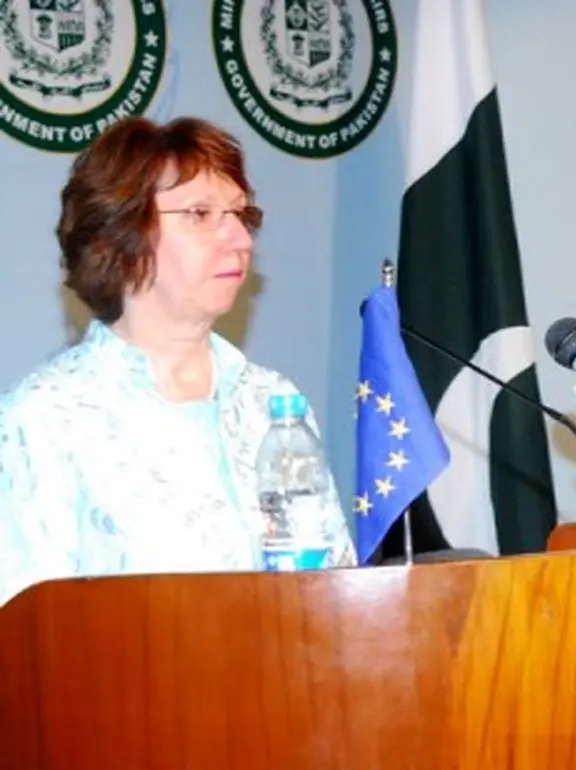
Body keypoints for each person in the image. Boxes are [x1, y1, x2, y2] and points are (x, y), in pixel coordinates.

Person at [0, 116, 355, 607]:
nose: (240, 239)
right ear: (120, 235)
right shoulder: (44, 418)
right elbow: (26, 630)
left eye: (241, 214)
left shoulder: (273, 403)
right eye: (201, 214)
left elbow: (334, 587)